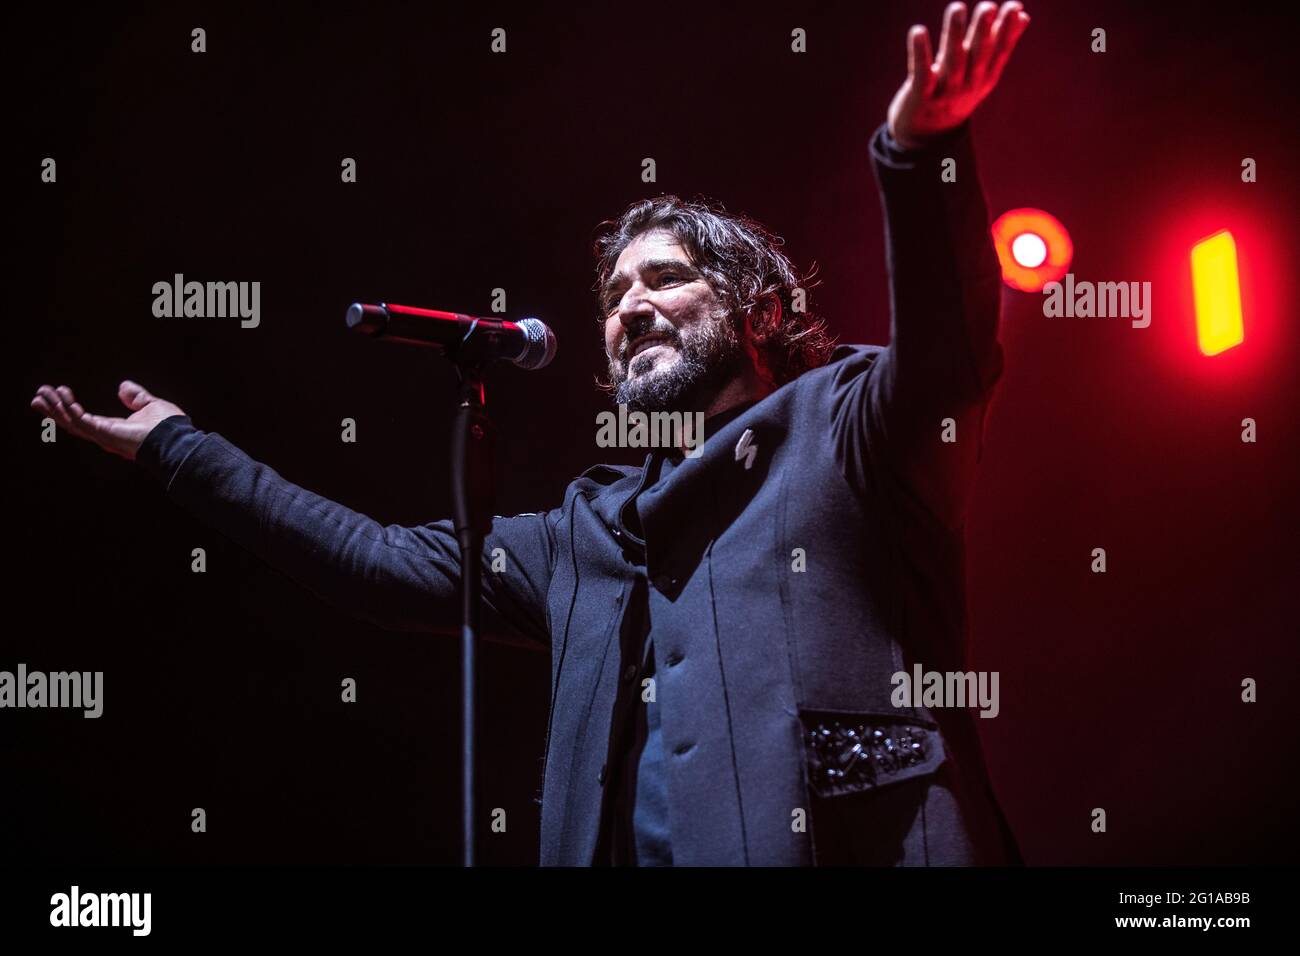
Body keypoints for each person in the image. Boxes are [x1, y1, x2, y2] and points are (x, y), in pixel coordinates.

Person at [31, 2, 1031, 865]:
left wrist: (920, 152)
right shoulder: (579, 535)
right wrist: (179, 448)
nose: (628, 306)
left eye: (665, 278)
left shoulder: (850, 428)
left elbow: (949, 338)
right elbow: (370, 559)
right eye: (613, 293)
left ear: (762, 313)